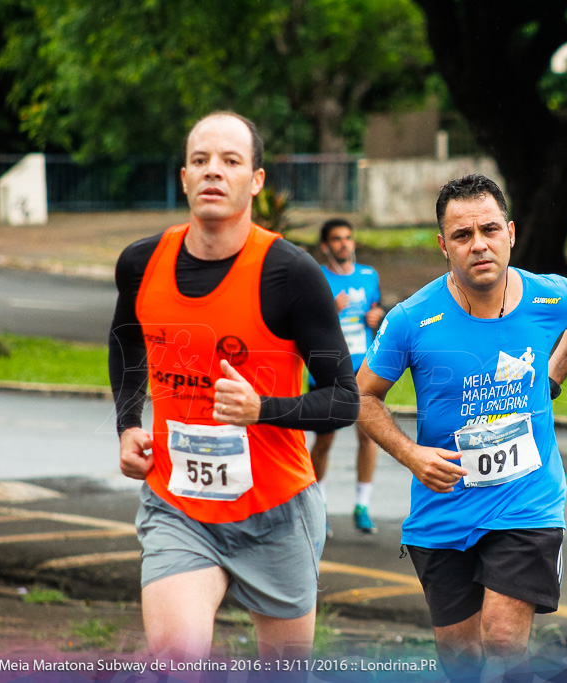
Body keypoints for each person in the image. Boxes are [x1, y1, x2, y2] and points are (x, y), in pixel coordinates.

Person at [108, 111, 359, 663]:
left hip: (276, 511)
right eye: (200, 161)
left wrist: (261, 408)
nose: (213, 172)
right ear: (183, 178)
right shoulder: (142, 263)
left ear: (257, 180)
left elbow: (344, 397)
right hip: (179, 506)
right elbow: (126, 340)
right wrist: (128, 424)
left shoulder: (291, 274)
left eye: (230, 161)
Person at [356, 174, 567, 678]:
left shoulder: (547, 298)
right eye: (462, 235)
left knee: (501, 637)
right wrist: (412, 455)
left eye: (490, 230)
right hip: (444, 509)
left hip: (527, 500)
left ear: (511, 233)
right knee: (461, 657)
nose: (479, 245)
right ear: (443, 246)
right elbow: (362, 396)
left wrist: (554, 377)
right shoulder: (412, 318)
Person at [310, 218, 383, 534]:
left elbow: (377, 310)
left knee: (368, 434)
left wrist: (377, 316)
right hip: (328, 367)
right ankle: (319, 506)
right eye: (337, 239)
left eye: (348, 238)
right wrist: (329, 310)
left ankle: (362, 506)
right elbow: (306, 325)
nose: (344, 244)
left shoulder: (369, 276)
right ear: (326, 246)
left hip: (363, 368)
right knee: (324, 440)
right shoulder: (317, 279)